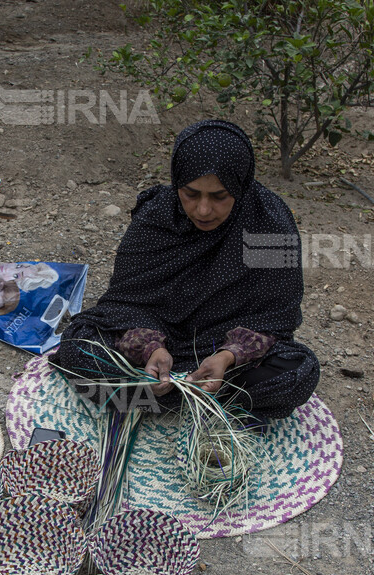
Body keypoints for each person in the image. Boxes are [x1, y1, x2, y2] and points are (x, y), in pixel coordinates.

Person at [51, 118, 319, 421]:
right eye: (191, 194)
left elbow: (274, 321)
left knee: (297, 372)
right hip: (152, 343)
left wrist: (227, 357)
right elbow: (123, 305)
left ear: (240, 186)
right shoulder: (157, 217)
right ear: (178, 182)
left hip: (224, 355)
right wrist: (149, 348)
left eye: (219, 196)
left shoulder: (267, 224)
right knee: (78, 347)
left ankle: (155, 400)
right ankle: (184, 401)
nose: (203, 210)